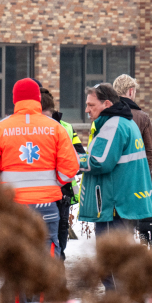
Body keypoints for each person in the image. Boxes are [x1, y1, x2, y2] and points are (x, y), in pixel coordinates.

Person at [0, 78, 80, 303]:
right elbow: (71, 168)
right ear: (37, 98)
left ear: (14, 99)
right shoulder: (54, 128)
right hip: (47, 209)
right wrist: (54, 183)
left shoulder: (0, 129)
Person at [77, 83, 152, 242]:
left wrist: (72, 159)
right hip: (123, 204)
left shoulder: (112, 126)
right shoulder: (127, 123)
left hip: (112, 205)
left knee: (110, 254)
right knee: (122, 253)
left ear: (107, 104)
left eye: (91, 105)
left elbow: (99, 162)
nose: (86, 110)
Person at [113, 74, 152, 244]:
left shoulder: (107, 115)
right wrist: (146, 177)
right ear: (131, 91)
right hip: (134, 178)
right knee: (129, 220)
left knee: (112, 222)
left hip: (112, 178)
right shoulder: (142, 117)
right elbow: (151, 151)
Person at [40, 87, 86, 260]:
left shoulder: (65, 128)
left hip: (62, 192)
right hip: (44, 192)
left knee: (59, 236)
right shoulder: (32, 128)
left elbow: (79, 157)